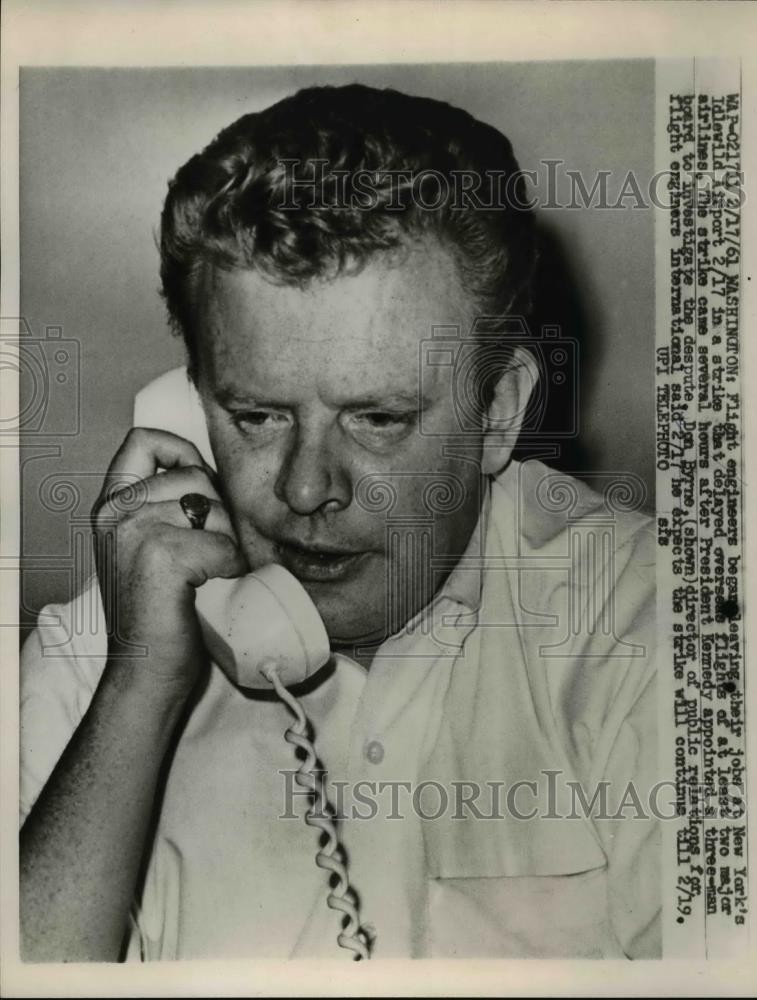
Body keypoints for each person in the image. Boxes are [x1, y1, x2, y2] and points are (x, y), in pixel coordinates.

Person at [19, 83, 659, 961]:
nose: (307, 489)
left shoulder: (645, 623)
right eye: (256, 416)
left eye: (378, 419)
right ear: (188, 404)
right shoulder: (96, 649)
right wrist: (137, 694)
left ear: (498, 413)